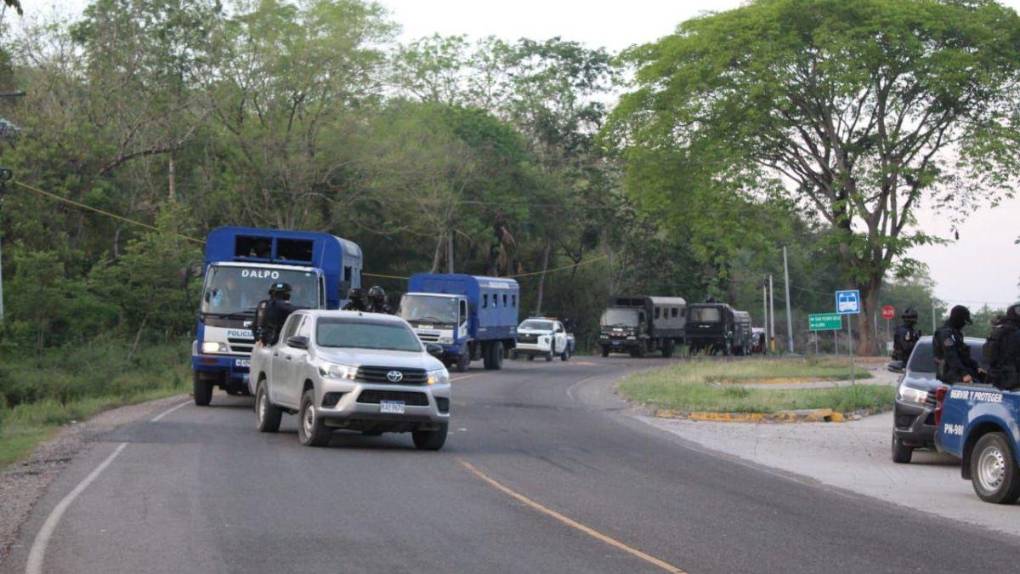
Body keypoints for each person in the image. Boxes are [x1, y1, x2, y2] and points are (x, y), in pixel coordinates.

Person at [933, 305, 981, 384]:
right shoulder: (945, 334)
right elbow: (951, 355)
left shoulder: (956, 334)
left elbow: (962, 356)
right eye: (963, 322)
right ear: (959, 319)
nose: (964, 325)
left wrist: (976, 367)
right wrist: (964, 374)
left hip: (959, 373)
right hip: (950, 376)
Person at [984, 303, 1020, 390]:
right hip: (1011, 382)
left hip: (994, 379)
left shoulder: (998, 330)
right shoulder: (1016, 333)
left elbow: (987, 353)